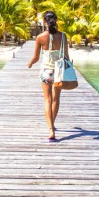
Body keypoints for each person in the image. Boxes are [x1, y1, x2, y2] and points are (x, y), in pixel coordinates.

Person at [27, 11, 68, 141]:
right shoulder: (63, 36)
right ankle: (52, 124)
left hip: (46, 72)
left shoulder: (40, 37)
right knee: (56, 99)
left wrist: (29, 64)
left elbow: (36, 57)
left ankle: (50, 129)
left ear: (45, 22)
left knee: (47, 99)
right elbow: (66, 56)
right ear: (56, 21)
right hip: (59, 72)